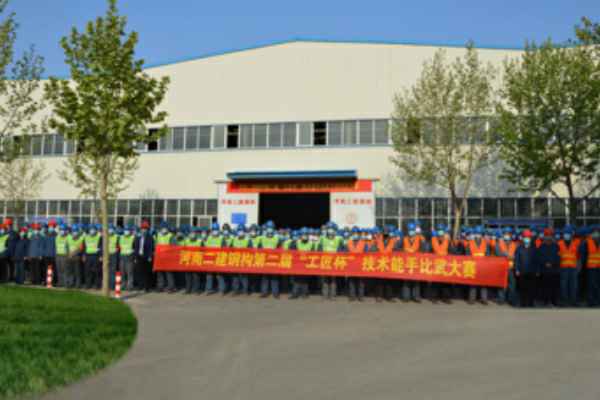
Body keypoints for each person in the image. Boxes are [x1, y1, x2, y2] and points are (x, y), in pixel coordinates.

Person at [401, 222, 427, 303]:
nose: (411, 232)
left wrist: (423, 240)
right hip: (406, 262)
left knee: (416, 280)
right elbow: (399, 249)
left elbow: (424, 249)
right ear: (407, 231)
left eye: (412, 230)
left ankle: (416, 297)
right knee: (406, 280)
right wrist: (404, 250)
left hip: (416, 262)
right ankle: (406, 297)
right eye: (409, 230)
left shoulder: (420, 238)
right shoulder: (404, 239)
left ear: (415, 231)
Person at [535, 228, 561, 307]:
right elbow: (539, 257)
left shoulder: (556, 246)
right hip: (544, 270)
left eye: (550, 235)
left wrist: (552, 263)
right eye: (547, 235)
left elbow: (558, 257)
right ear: (544, 236)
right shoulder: (541, 246)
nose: (548, 237)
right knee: (545, 287)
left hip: (554, 270)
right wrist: (545, 263)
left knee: (554, 287)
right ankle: (545, 301)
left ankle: (554, 301)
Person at [465, 226, 490, 305]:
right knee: (473, 283)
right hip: (473, 265)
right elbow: (467, 254)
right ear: (474, 234)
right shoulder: (470, 243)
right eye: (476, 233)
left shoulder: (485, 243)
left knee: (484, 283)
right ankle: (472, 299)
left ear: (481, 234)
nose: (478, 235)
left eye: (479, 233)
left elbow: (487, 254)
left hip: (483, 265)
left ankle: (484, 299)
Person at [430, 224, 454, 304]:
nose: (440, 234)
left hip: (445, 264)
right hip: (435, 264)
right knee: (435, 282)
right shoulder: (433, 240)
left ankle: (446, 298)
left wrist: (450, 241)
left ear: (444, 232)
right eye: (439, 231)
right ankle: (434, 298)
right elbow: (429, 250)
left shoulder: (447, 240)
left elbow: (452, 251)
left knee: (446, 282)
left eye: (441, 231)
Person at [514, 229, 539, 307]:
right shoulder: (519, 248)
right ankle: (523, 303)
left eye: (528, 237)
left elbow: (537, 260)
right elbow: (517, 259)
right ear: (523, 238)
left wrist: (537, 270)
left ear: (530, 238)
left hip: (532, 271)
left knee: (532, 288)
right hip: (522, 271)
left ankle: (531, 303)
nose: (527, 239)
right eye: (525, 237)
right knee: (523, 288)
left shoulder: (534, 248)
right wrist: (517, 269)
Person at [557, 226, 581, 307]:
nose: (566, 235)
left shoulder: (576, 243)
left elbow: (578, 256)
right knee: (563, 285)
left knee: (574, 285)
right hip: (563, 267)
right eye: (565, 233)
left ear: (571, 235)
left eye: (568, 234)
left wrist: (578, 267)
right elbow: (557, 256)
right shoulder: (559, 243)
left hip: (573, 267)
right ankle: (564, 301)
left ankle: (573, 301)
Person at [495, 227, 518, 306]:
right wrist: (508, 256)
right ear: (503, 234)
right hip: (502, 267)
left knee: (512, 284)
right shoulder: (499, 244)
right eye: (505, 233)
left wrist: (512, 257)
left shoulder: (514, 244)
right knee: (502, 283)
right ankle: (501, 299)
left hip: (512, 267)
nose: (507, 235)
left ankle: (511, 300)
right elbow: (498, 254)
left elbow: (517, 255)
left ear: (511, 235)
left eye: (508, 234)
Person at [346, 227, 368, 302]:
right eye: (354, 233)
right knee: (351, 282)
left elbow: (367, 253)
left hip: (360, 265)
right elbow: (344, 253)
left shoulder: (363, 243)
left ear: (359, 234)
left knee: (361, 282)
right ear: (352, 234)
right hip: (351, 265)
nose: (355, 235)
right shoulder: (348, 242)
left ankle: (360, 297)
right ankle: (352, 296)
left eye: (356, 233)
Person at [258, 224, 281, 298]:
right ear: (266, 229)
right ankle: (264, 293)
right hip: (265, 261)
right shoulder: (262, 238)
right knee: (265, 278)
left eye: (271, 228)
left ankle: (275, 293)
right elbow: (259, 249)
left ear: (273, 229)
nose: (270, 229)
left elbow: (280, 249)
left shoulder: (277, 238)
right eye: (268, 228)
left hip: (274, 260)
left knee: (274, 278)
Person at [289, 228, 312, 299]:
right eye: (303, 234)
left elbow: (314, 253)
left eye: (306, 234)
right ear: (300, 235)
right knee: (296, 280)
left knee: (305, 280)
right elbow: (291, 252)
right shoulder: (295, 243)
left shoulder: (311, 243)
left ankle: (304, 294)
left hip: (306, 264)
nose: (304, 236)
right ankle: (294, 294)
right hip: (297, 264)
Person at [204, 223, 226, 295]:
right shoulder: (209, 238)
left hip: (219, 259)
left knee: (219, 275)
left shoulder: (222, 238)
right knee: (209, 275)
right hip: (210, 259)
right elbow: (205, 248)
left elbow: (225, 249)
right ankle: (208, 289)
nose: (215, 231)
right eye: (213, 229)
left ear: (218, 230)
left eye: (216, 229)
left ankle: (221, 290)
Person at [155, 223, 176, 293]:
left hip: (168, 257)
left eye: (165, 228)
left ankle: (171, 287)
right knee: (159, 272)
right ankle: (160, 286)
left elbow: (174, 247)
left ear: (167, 229)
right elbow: (156, 244)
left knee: (169, 273)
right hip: (159, 256)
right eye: (162, 228)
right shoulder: (158, 235)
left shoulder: (171, 236)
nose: (164, 229)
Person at [231, 226, 252, 296]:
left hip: (244, 260)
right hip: (235, 260)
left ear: (244, 232)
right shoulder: (234, 240)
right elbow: (230, 250)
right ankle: (235, 290)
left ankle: (245, 290)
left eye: (242, 231)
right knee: (235, 277)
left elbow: (251, 251)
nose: (240, 232)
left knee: (244, 277)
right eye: (239, 231)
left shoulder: (248, 240)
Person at [582, 226, 600, 307]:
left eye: (597, 232)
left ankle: (598, 301)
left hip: (598, 267)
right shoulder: (587, 242)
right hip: (591, 267)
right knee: (591, 285)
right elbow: (584, 255)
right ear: (591, 234)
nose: (596, 234)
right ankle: (591, 301)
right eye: (594, 232)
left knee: (598, 284)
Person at [135, 221, 155, 292]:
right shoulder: (138, 237)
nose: (143, 230)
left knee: (146, 272)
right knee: (139, 271)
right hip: (139, 256)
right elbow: (136, 247)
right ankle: (140, 286)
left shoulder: (150, 237)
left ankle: (147, 287)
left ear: (147, 229)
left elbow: (151, 247)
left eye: (145, 229)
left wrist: (150, 256)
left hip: (146, 256)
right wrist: (135, 257)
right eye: (142, 228)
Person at [183, 227, 203, 294]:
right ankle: (188, 289)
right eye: (191, 233)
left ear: (196, 234)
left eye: (194, 233)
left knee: (196, 276)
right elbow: (183, 249)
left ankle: (196, 290)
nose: (192, 234)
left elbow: (203, 250)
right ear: (189, 234)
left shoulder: (200, 241)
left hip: (196, 260)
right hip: (188, 260)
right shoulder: (186, 240)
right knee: (188, 276)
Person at [83, 225, 102, 289]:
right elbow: (84, 247)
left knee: (97, 271)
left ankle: (97, 285)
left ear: (96, 230)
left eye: (93, 229)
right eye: (91, 230)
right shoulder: (86, 237)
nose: (92, 231)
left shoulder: (99, 237)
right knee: (87, 271)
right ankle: (88, 285)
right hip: (88, 256)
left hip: (96, 256)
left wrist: (100, 256)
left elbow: (101, 247)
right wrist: (84, 255)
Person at [119, 226, 136, 291]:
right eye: (125, 230)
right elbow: (119, 246)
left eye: (128, 230)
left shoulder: (133, 237)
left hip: (130, 256)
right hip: (122, 256)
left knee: (129, 272)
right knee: (122, 272)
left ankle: (130, 285)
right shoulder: (121, 237)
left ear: (130, 231)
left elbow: (135, 247)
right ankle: (123, 284)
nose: (126, 232)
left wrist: (133, 254)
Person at [107, 225, 120, 290]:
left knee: (113, 270)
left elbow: (118, 246)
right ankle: (107, 285)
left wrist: (116, 251)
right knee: (107, 270)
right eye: (109, 229)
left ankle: (112, 285)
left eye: (111, 229)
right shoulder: (106, 237)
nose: (110, 230)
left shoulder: (116, 237)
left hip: (114, 255)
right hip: (107, 255)